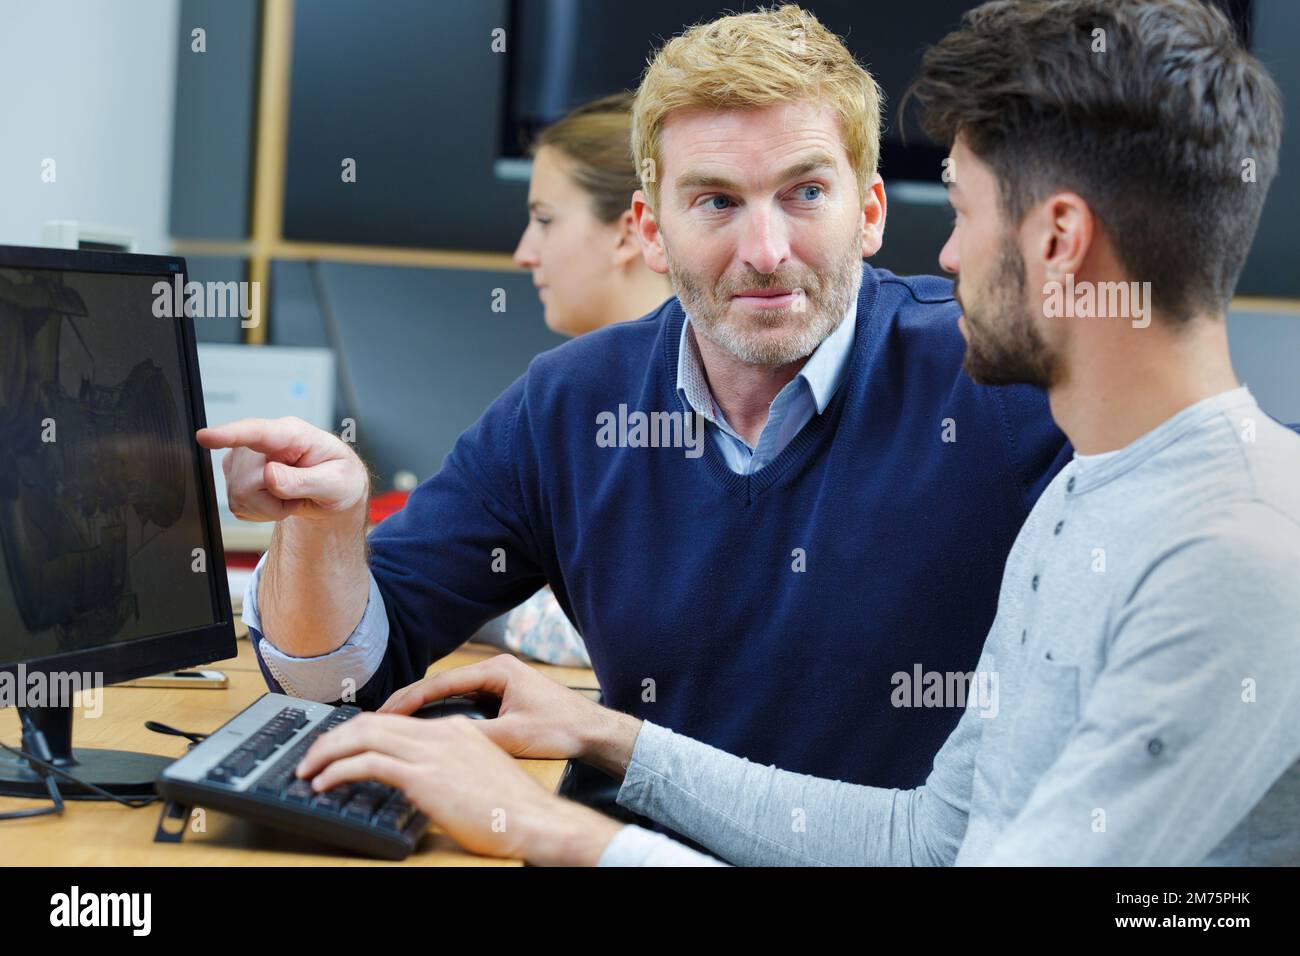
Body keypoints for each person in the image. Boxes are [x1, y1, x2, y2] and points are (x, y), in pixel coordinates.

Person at [292, 0, 1300, 866]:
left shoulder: (1231, 546)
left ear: (1056, 239)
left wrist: (550, 829)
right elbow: (930, 845)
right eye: (717, 201)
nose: (944, 256)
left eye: (961, 211)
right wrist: (613, 741)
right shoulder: (1092, 492)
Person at [197, 5, 1069, 800]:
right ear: (651, 229)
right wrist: (323, 530)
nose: (765, 251)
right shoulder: (571, 403)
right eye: (716, 202)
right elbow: (344, 682)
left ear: (869, 211)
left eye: (806, 193)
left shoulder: (1000, 376)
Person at [475, 93, 674, 667]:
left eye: (544, 220)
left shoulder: (687, 396)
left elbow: (626, 627)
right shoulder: (584, 393)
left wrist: (473, 601)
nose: (523, 253)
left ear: (627, 232)